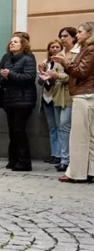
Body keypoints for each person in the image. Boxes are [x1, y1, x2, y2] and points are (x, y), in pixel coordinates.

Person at [54, 22, 94, 183]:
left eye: (80, 32)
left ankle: (76, 173)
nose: (77, 35)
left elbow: (81, 72)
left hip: (84, 94)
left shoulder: (89, 50)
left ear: (89, 33)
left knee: (78, 136)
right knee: (90, 136)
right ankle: (90, 171)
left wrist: (65, 62)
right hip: (88, 94)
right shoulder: (87, 49)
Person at [0, 35, 37, 171]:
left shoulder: (28, 58)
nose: (11, 44)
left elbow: (29, 77)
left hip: (23, 100)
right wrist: (3, 76)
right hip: (9, 99)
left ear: (23, 45)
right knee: (12, 131)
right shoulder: (6, 58)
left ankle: (24, 162)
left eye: (15, 42)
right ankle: (13, 159)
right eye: (11, 42)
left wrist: (10, 75)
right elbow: (0, 78)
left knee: (19, 130)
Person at [52, 27, 79, 172]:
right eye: (61, 36)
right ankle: (64, 158)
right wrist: (48, 74)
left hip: (70, 93)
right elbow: (55, 72)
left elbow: (74, 74)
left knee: (65, 125)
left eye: (65, 36)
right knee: (60, 127)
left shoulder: (77, 53)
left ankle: (67, 159)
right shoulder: (60, 54)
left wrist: (58, 76)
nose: (62, 38)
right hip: (57, 94)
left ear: (73, 37)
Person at [37, 40, 63, 164]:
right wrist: (42, 75)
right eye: (52, 47)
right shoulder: (45, 63)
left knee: (60, 127)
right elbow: (40, 83)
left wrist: (53, 76)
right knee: (52, 128)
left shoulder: (63, 62)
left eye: (57, 47)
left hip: (58, 97)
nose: (54, 49)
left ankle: (60, 154)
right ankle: (53, 154)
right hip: (47, 97)